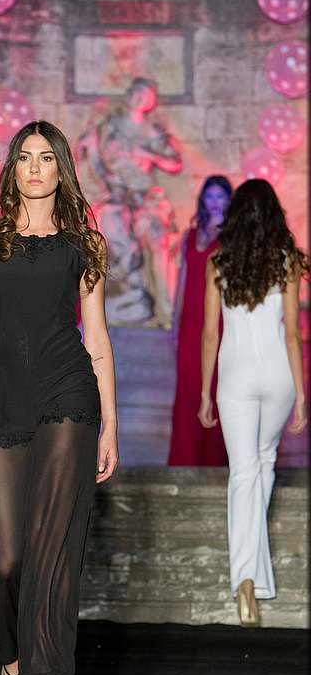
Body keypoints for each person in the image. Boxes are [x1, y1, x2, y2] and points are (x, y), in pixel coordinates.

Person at [0, 120, 119, 675]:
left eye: (47, 158)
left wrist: (110, 424)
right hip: (1, 405)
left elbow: (97, 340)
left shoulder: (86, 245)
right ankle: (14, 657)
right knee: (7, 557)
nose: (36, 168)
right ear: (12, 169)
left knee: (52, 545)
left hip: (68, 396)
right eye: (25, 157)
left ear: (61, 168)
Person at [198, 179, 308, 626]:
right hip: (278, 375)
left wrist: (204, 392)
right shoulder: (288, 261)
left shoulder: (218, 261)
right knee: (263, 465)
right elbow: (292, 334)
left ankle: (245, 579)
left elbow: (210, 334)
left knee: (244, 473)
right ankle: (257, 581)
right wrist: (301, 393)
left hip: (236, 376)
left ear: (236, 214)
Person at [75, 77, 182, 328]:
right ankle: (120, 301)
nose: (138, 98)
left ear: (150, 102)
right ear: (128, 93)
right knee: (108, 230)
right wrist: (99, 168)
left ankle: (163, 309)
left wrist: (147, 154)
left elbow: (174, 163)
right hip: (114, 195)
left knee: (155, 237)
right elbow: (87, 154)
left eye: (145, 95)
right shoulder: (108, 126)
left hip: (143, 196)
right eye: (136, 92)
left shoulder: (151, 130)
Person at [168, 176, 232, 466]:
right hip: (190, 323)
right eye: (210, 196)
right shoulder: (189, 236)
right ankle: (185, 459)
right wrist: (174, 321)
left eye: (220, 196)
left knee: (217, 387)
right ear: (203, 200)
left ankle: (214, 462)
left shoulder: (232, 237)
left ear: (229, 200)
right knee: (188, 390)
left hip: (219, 322)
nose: (215, 202)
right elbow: (182, 281)